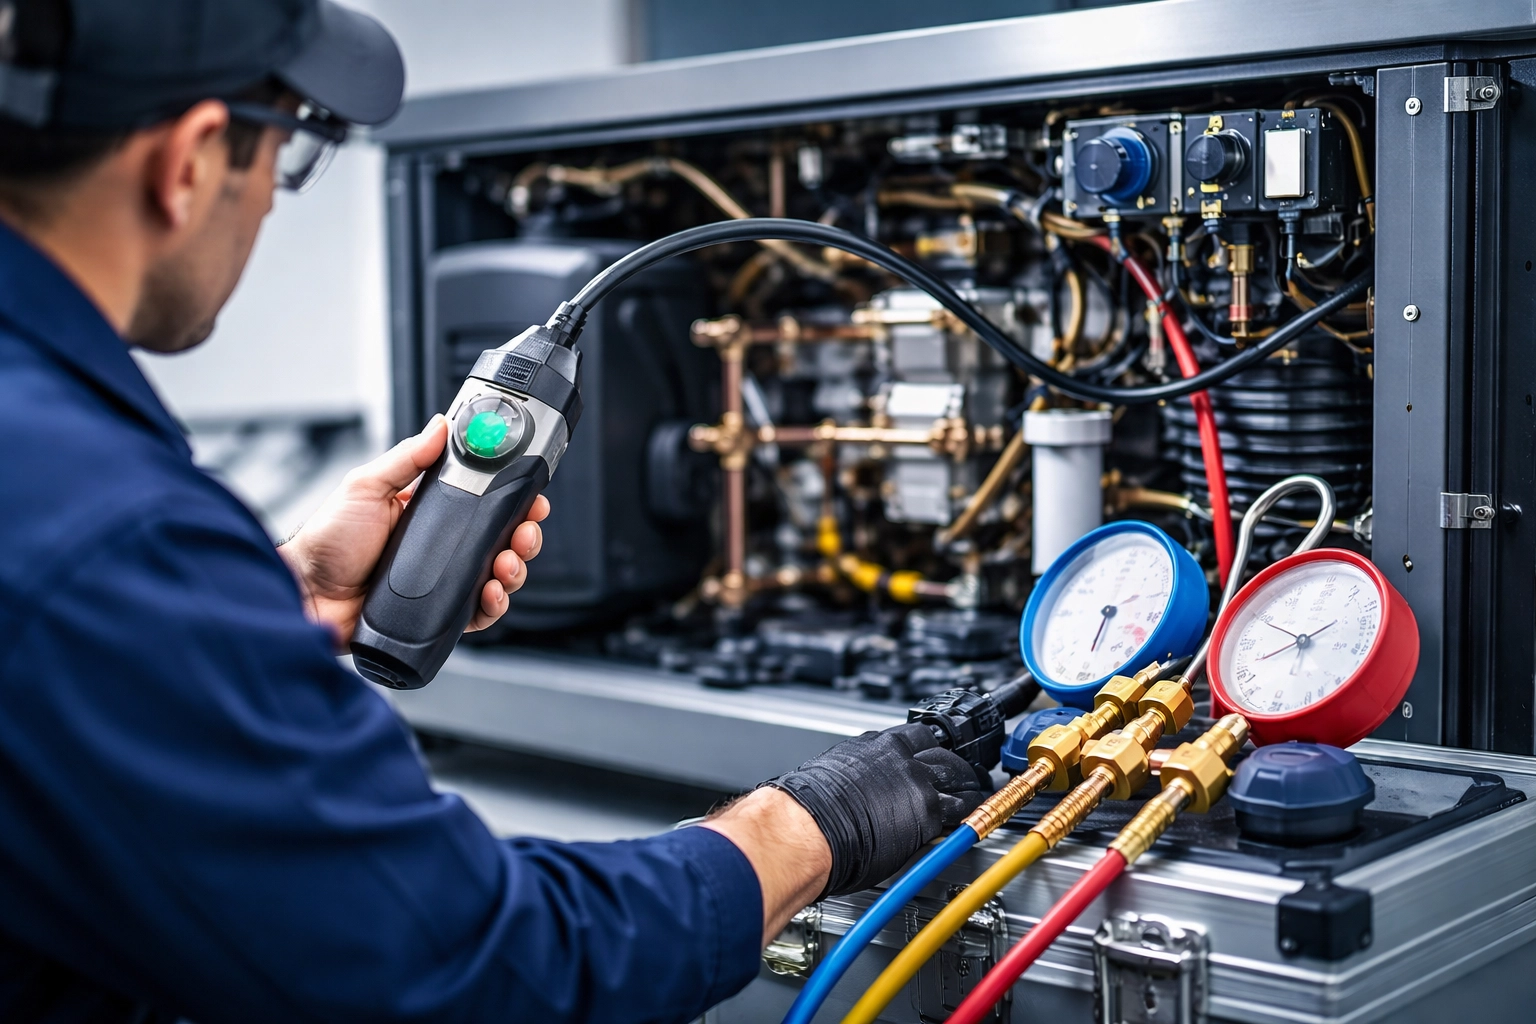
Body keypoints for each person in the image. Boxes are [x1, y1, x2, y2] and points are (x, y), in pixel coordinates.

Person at [0, 2, 992, 1021]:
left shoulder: (65, 497)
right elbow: (476, 965)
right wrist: (810, 822)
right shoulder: (104, 530)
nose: (266, 204)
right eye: (285, 155)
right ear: (193, 161)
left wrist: (268, 603)